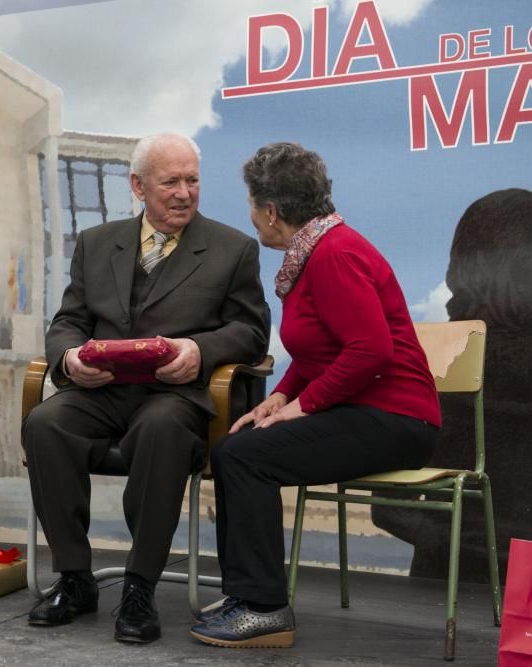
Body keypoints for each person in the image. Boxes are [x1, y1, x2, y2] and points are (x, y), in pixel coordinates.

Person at [189, 142, 440, 649]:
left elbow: (371, 351)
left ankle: (263, 609)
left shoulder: (335, 254)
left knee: (246, 456)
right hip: (362, 410)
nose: (251, 214)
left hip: (397, 419)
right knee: (236, 447)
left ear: (271, 211)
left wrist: (306, 405)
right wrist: (279, 398)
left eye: (251, 203)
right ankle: (248, 597)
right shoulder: (315, 251)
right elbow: (319, 351)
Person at [22, 133, 269, 644]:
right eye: (170, 182)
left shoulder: (233, 249)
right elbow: (68, 320)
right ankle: (74, 579)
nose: (184, 193)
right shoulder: (96, 242)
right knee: (44, 423)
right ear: (138, 186)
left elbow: (250, 331)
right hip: (101, 390)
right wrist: (69, 358)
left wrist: (200, 352)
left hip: (175, 394)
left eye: (192, 180)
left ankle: (139, 586)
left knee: (161, 429)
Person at [372, 188, 532, 583]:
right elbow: (389, 503)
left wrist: (450, 539)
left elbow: (390, 505)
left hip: (446, 579)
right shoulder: (441, 358)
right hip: (473, 579)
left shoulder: (437, 356)